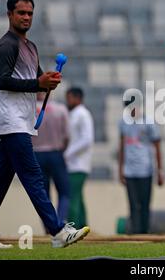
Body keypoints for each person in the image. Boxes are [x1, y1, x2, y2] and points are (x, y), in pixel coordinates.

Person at [0, 0, 90, 249]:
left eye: (29, 13)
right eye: (21, 13)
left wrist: (48, 80)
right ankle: (57, 231)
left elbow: (36, 81)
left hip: (22, 122)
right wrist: (38, 83)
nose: (26, 17)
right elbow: (2, 81)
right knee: (33, 176)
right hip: (12, 122)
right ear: (10, 15)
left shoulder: (30, 47)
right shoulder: (6, 45)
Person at [118, 96, 164, 234]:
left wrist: (160, 171)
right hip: (129, 170)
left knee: (144, 204)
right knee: (132, 203)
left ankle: (145, 231)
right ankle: (135, 231)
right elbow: (121, 147)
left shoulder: (148, 123)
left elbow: (157, 147)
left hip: (145, 169)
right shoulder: (123, 123)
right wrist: (120, 170)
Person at [32, 92, 70, 227]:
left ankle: (49, 226)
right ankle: (60, 222)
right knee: (64, 191)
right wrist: (61, 149)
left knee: (43, 194)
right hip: (56, 152)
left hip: (36, 154)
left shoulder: (29, 109)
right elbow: (66, 136)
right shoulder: (60, 109)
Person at [65, 87, 95, 229]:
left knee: (72, 198)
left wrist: (67, 153)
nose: (67, 101)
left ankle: (73, 228)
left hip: (78, 164)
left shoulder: (82, 114)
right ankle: (83, 227)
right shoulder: (74, 114)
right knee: (78, 198)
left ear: (78, 98)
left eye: (69, 98)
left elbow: (87, 139)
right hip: (73, 163)